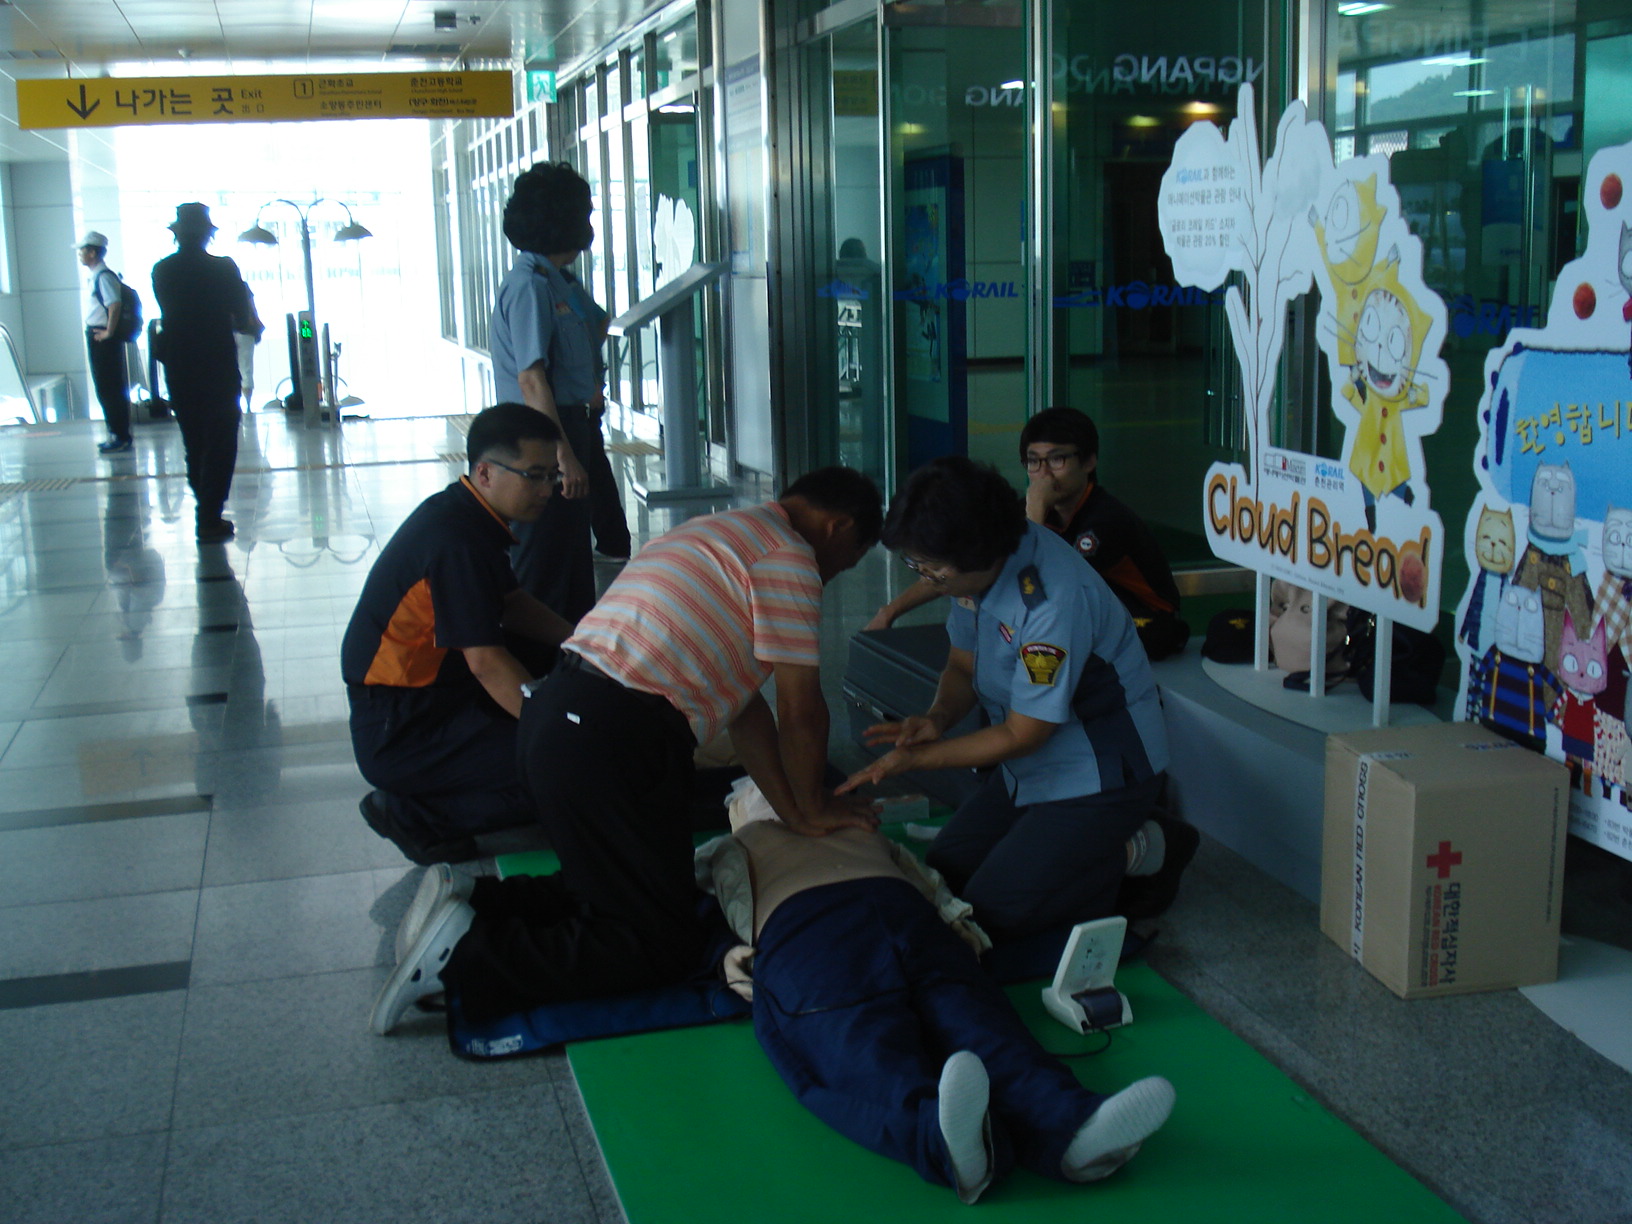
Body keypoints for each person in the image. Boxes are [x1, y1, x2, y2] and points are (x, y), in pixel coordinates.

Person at [371, 466, 885, 1034]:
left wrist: (794, 811)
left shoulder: (716, 533)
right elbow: (801, 708)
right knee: (657, 945)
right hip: (611, 736)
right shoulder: (789, 557)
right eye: (849, 561)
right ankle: (461, 960)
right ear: (839, 527)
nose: (836, 574)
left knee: (628, 889)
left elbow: (749, 715)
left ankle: (477, 902)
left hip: (557, 715)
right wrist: (813, 808)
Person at [695, 780, 1176, 1204]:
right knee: (855, 1042)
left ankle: (1073, 1127)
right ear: (737, 815)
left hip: (907, 916)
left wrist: (954, 918)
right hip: (808, 932)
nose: (772, 795)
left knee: (978, 1020)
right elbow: (696, 912)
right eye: (755, 792)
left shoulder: (858, 826)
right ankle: (945, 1139)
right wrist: (725, 954)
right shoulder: (727, 848)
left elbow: (923, 878)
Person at [840, 456, 1188, 940]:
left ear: (978, 555)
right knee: (948, 869)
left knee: (994, 914)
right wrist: (937, 717)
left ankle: (1145, 848)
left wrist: (919, 758)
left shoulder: (1051, 602)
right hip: (1031, 764)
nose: (927, 579)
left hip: (1102, 774)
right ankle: (1082, 855)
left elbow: (1024, 733)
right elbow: (963, 666)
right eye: (917, 566)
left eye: (932, 570)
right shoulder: (976, 571)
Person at [343, 404, 577, 867]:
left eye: (552, 476)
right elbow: (485, 662)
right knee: (565, 769)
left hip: (434, 692)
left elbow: (511, 603)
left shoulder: (467, 513)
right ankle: (415, 814)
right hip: (402, 729)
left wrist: (584, 639)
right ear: (485, 473)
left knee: (557, 663)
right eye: (534, 476)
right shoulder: (455, 541)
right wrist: (549, 733)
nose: (547, 490)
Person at [869, 408, 1188, 660]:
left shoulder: (1106, 520)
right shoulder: (1032, 508)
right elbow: (960, 562)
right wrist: (890, 612)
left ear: (1089, 461)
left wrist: (1034, 508)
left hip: (1146, 620)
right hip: (1086, 614)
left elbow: (1047, 585)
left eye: (1057, 459)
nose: (1044, 474)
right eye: (1033, 462)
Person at [490, 162, 632, 624]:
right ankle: (535, 662)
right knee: (544, 568)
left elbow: (597, 324)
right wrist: (562, 456)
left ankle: (569, 657)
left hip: (569, 424)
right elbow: (532, 380)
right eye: (584, 213)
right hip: (542, 434)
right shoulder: (529, 287)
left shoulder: (558, 281)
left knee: (571, 568)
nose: (589, 223)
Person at [150, 203, 253, 543]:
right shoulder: (223, 269)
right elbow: (242, 316)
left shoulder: (162, 270)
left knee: (193, 441)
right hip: (218, 363)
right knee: (221, 441)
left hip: (180, 364)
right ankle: (209, 516)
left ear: (177, 234)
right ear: (209, 234)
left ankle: (206, 511)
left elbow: (170, 310)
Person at [79, 231, 133, 455]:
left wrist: (109, 332)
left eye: (82, 250)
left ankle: (120, 435)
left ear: (92, 252)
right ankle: (115, 433)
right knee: (105, 387)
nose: (80, 254)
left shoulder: (104, 276)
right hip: (97, 335)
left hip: (103, 337)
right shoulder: (97, 276)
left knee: (110, 387)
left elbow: (115, 304)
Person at [234, 286, 265, 411]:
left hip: (226, 331)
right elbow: (252, 308)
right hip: (245, 331)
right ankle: (247, 405)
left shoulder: (217, 286)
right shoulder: (243, 287)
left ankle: (235, 404)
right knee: (246, 368)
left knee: (229, 369)